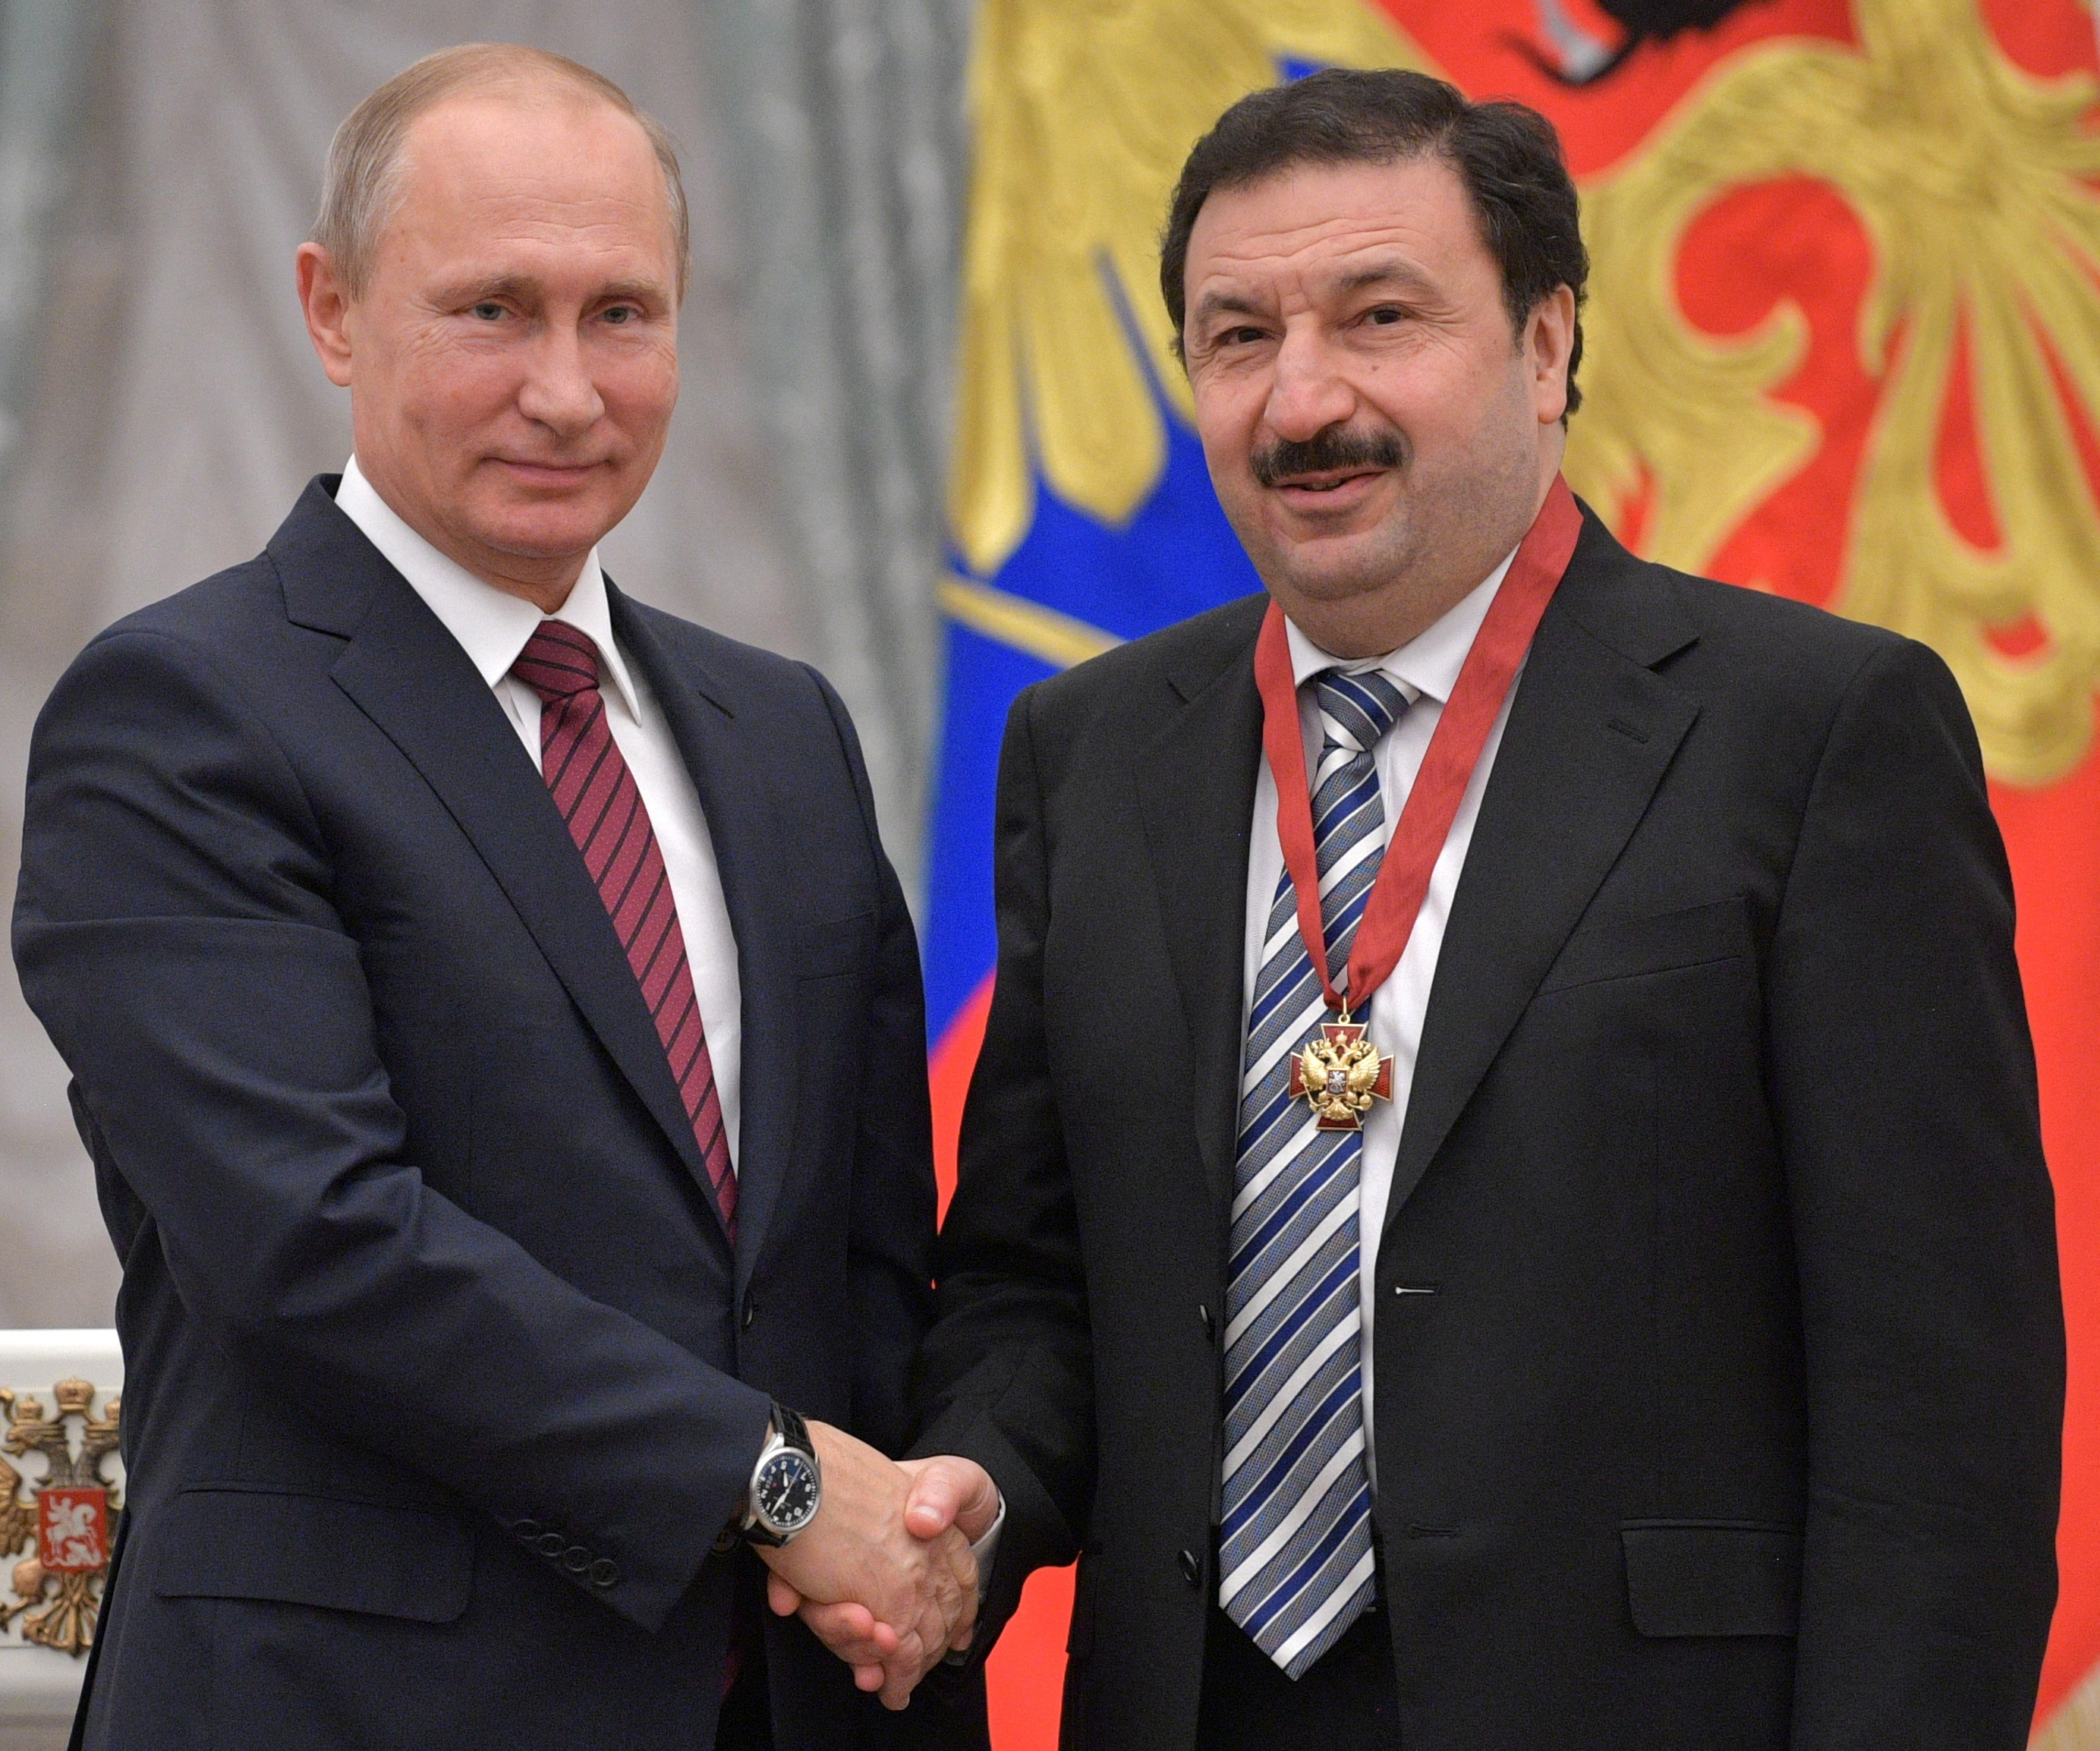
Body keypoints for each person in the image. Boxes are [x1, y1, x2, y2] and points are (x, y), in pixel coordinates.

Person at [798, 67, 2066, 1749]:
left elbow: (1938, 1409)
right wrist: (977, 1488)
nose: (1300, 398)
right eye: (1236, 338)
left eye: (1377, 317)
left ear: (1545, 346)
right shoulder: (1091, 750)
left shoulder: (1811, 732)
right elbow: (1039, 1278)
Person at [13, 44, 984, 1750]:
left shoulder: (781, 730)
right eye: (491, 311)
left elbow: (860, 1252)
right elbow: (313, 1242)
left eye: (621, 313)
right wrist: (765, 1479)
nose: (566, 390)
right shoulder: (182, 713)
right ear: (331, 311)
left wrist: (920, 1523)